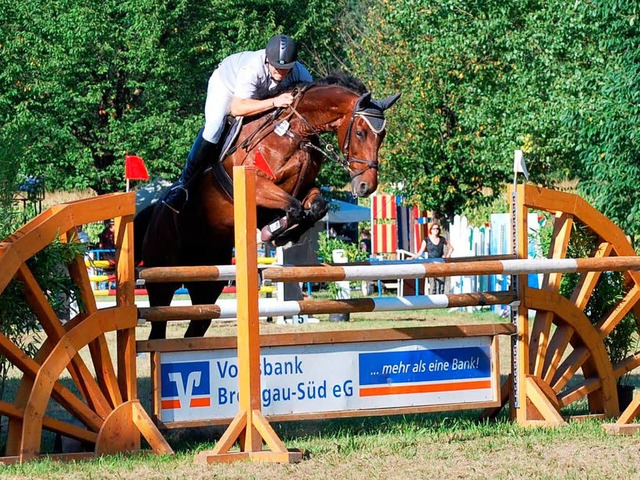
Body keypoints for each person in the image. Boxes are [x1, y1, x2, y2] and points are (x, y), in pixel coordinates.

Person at [163, 34, 313, 213]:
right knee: (214, 128)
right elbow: (237, 108)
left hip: (261, 95)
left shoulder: (299, 71)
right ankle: (183, 185)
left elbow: (311, 98)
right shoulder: (252, 68)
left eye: (285, 69)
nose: (281, 73)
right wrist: (274, 102)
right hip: (227, 87)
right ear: (267, 59)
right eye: (276, 68)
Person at [412, 222, 453, 294]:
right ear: (431, 230)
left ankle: (441, 301)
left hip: (440, 263)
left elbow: (451, 248)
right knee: (432, 284)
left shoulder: (442, 239)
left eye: (437, 228)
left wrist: (447, 256)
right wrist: (412, 258)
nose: (436, 230)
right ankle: (433, 302)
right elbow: (420, 252)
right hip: (431, 263)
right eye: (434, 229)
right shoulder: (426, 240)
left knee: (441, 284)